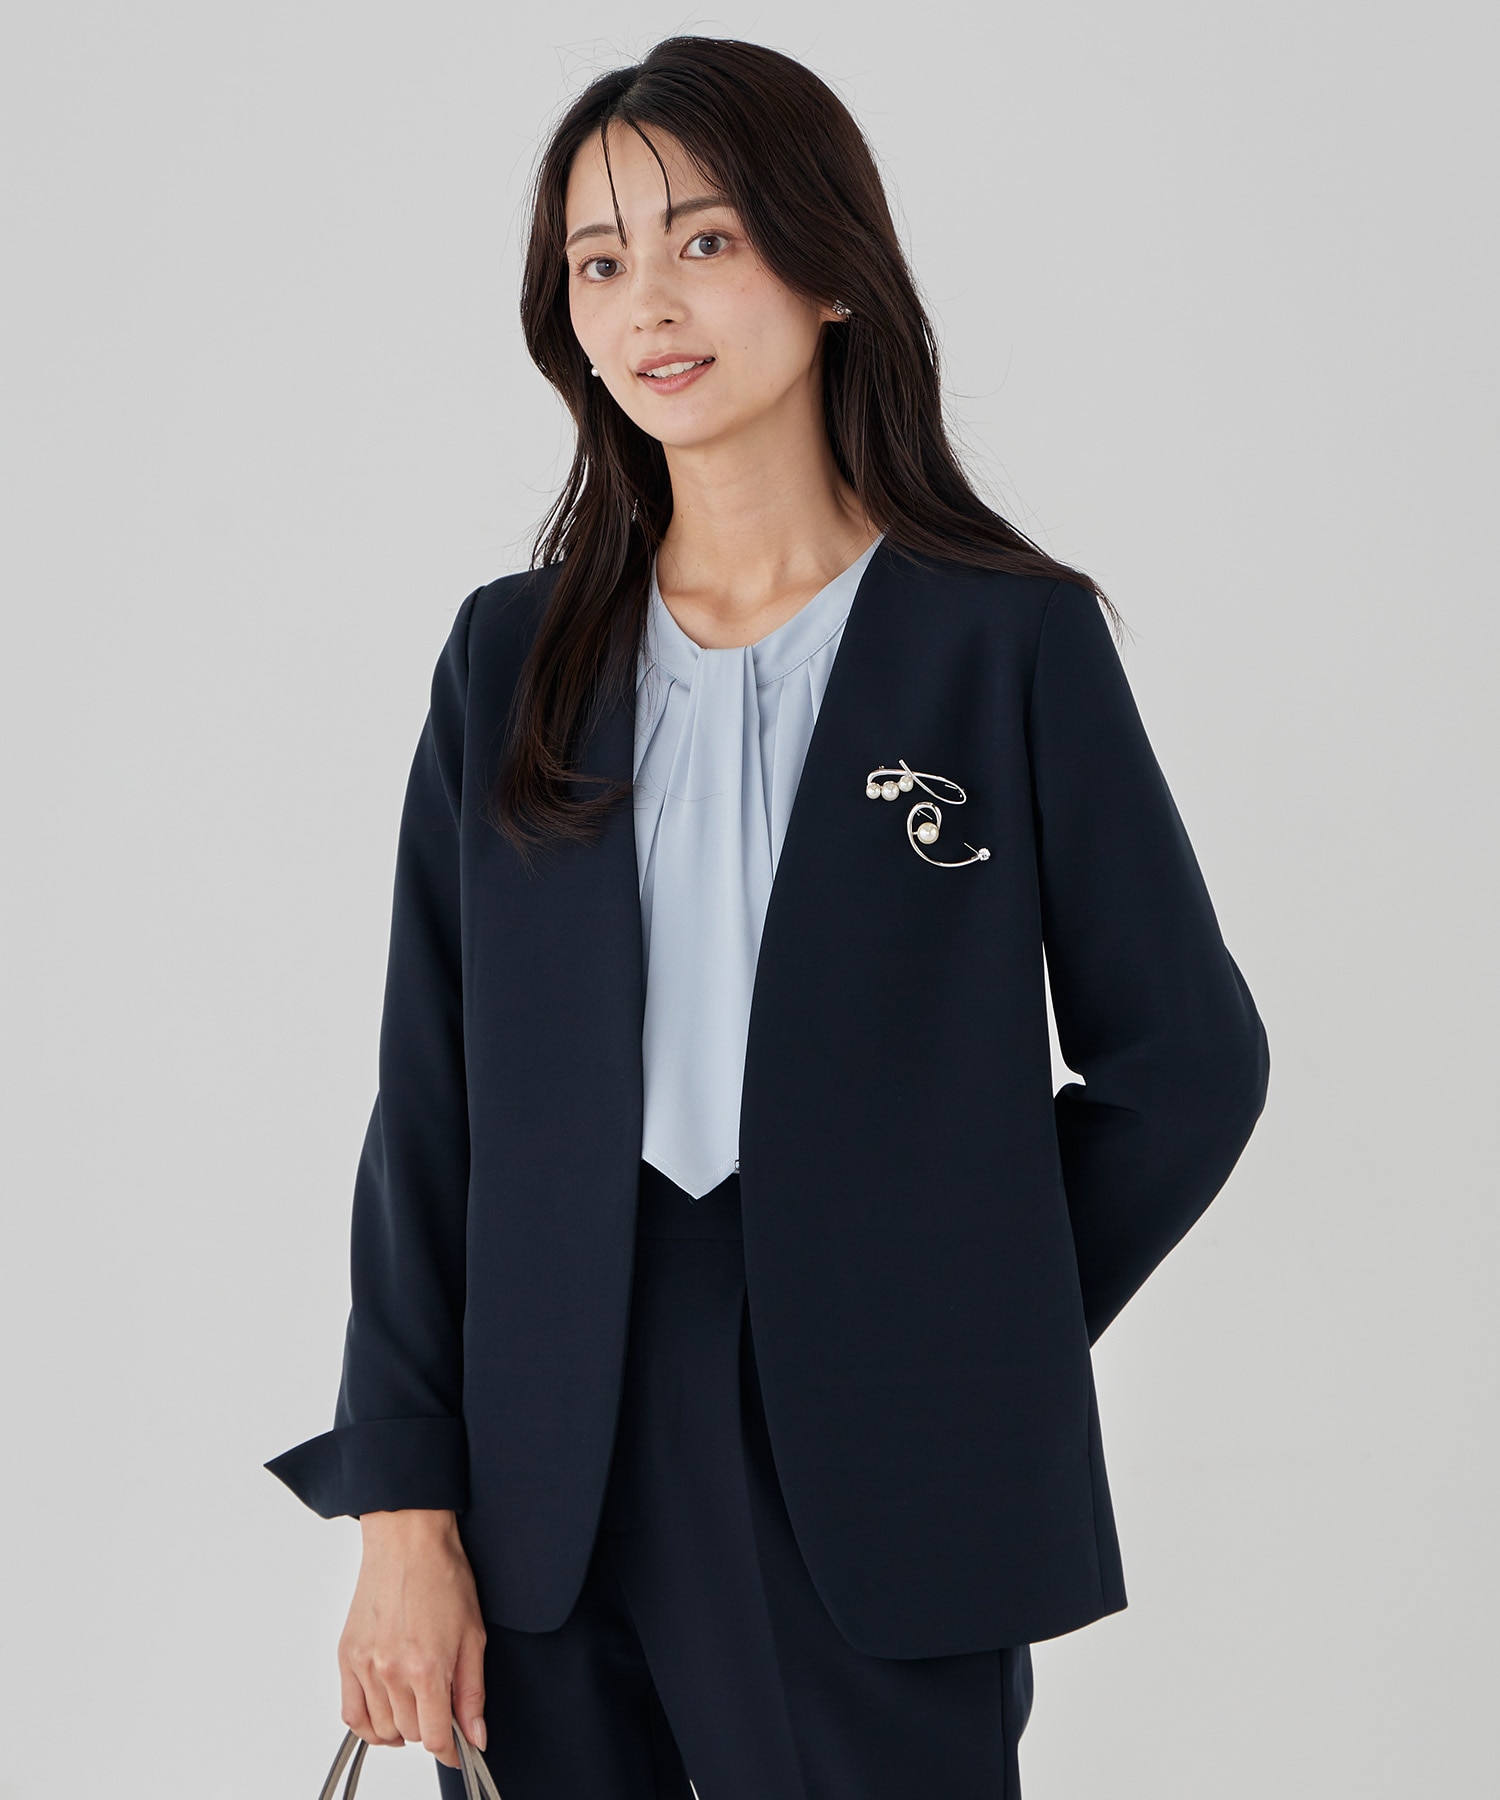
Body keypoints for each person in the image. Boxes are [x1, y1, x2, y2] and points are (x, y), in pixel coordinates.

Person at [267, 35, 1270, 1800]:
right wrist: (402, 1510)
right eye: (599, 261)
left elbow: (1186, 1067)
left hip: (876, 1473)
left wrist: (956, 1311)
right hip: (542, 1466)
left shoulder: (1002, 641)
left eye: (706, 240)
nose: (648, 300)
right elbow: (430, 1108)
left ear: (831, 269)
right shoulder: (509, 657)